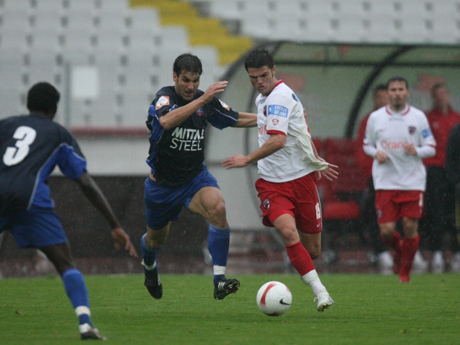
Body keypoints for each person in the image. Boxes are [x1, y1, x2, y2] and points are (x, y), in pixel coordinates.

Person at [0, 82, 138, 340]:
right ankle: (85, 324)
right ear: (54, 108)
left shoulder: (5, 126)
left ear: (28, 104)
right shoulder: (57, 134)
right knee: (65, 263)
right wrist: (115, 225)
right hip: (30, 199)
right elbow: (84, 182)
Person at [222, 48, 338, 312]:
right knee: (287, 232)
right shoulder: (266, 99)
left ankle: (305, 269)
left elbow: (279, 139)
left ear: (274, 71)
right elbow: (301, 129)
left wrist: (247, 159)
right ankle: (321, 292)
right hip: (272, 184)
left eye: (263, 75)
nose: (259, 82)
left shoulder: (280, 97)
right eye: (253, 78)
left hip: (301, 181)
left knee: (314, 250)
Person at [141, 53, 257, 301]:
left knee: (218, 207)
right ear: (175, 77)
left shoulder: (204, 101)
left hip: (194, 180)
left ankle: (219, 281)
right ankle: (149, 269)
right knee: (154, 241)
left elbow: (235, 117)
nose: (191, 86)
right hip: (161, 186)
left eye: (195, 80)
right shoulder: (165, 98)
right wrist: (202, 98)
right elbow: (167, 121)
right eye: (185, 80)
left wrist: (274, 120)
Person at [363, 76, 436, 283]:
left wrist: (417, 150)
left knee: (410, 226)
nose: (396, 93)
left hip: (412, 181)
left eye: (400, 89)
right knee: (386, 232)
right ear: (387, 93)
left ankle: (405, 272)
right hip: (385, 181)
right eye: (393, 89)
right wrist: (376, 152)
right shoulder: (376, 118)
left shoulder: (418, 117)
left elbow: (431, 147)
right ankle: (398, 250)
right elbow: (367, 144)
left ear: (407, 92)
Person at [421, 83, 460, 272]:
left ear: (448, 95)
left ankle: (455, 251)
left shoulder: (456, 118)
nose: (441, 98)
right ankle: (436, 251)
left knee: (454, 213)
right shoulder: (427, 119)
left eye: (444, 93)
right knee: (436, 212)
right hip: (435, 170)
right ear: (433, 98)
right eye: (437, 95)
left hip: (455, 172)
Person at [356, 84, 392, 268]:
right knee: (375, 215)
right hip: (376, 178)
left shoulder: (401, 119)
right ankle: (381, 251)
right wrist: (373, 172)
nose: (382, 100)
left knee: (402, 214)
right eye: (379, 96)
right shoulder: (367, 121)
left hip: (398, 177)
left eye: (385, 96)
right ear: (374, 99)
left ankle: (404, 250)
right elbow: (362, 151)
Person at [445, 122, 460, 271]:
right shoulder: (457, 131)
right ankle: (457, 251)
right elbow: (451, 160)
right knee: (457, 222)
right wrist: (456, 181)